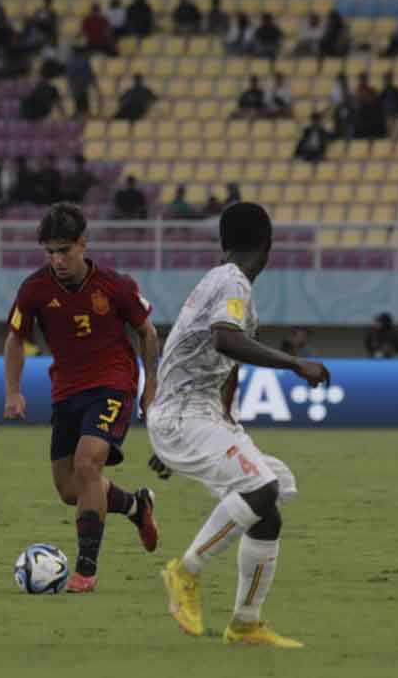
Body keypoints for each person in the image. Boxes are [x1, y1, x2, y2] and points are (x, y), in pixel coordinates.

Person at [147, 202, 329, 647]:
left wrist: (183, 445)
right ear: (267, 246)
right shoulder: (233, 283)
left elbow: (224, 362)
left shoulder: (221, 280)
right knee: (260, 490)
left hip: (196, 416)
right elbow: (225, 339)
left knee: (270, 501)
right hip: (184, 414)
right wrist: (294, 363)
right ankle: (185, 572)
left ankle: (246, 623)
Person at [4, 203, 161, 593]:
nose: (57, 260)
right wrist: (13, 391)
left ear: (83, 245)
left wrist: (151, 387)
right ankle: (135, 505)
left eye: (64, 250)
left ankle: (85, 570)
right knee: (70, 490)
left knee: (87, 463)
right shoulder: (35, 289)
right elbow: (14, 338)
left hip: (112, 384)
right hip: (66, 391)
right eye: (50, 252)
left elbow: (148, 333)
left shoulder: (115, 286)